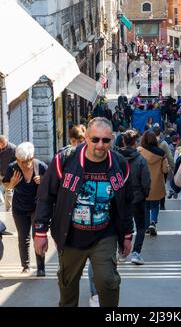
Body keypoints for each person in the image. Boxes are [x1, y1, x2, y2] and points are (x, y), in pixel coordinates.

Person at [33, 117, 133, 307]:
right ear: (86, 137)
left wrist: (127, 234)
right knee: (67, 287)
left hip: (105, 234)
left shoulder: (120, 164)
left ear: (112, 139)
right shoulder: (65, 160)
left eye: (105, 140)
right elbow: (46, 196)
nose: (100, 145)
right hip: (70, 236)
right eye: (95, 139)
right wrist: (40, 232)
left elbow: (126, 203)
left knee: (107, 281)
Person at [3, 142, 47, 276]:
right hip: (20, 208)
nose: (24, 165)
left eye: (27, 161)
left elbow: (53, 182)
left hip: (37, 208)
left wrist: (43, 180)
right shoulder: (13, 168)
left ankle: (40, 267)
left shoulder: (40, 166)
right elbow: (6, 185)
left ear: (32, 158)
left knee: (37, 236)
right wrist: (12, 184)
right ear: (17, 159)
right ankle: (25, 266)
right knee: (23, 238)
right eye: (21, 162)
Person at [118, 130, 151, 265]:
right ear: (135, 142)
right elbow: (146, 180)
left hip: (120, 198)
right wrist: (145, 193)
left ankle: (121, 252)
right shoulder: (141, 159)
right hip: (137, 198)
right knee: (141, 226)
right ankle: (136, 253)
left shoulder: (116, 158)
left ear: (123, 142)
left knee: (120, 225)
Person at [138, 131, 168, 236]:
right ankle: (153, 222)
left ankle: (146, 226)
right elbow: (165, 170)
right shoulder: (161, 153)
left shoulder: (139, 152)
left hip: (143, 183)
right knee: (155, 205)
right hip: (157, 183)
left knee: (145, 206)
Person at [152, 124, 174, 207]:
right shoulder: (164, 143)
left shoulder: (149, 143)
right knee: (162, 186)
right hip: (162, 168)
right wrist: (173, 167)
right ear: (160, 133)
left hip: (152, 167)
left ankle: (153, 204)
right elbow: (169, 156)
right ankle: (162, 205)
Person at [0, 135, 16, 211]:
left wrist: (13, 172)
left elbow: (17, 161)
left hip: (7, 173)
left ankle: (8, 209)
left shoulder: (13, 148)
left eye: (3, 145)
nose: (2, 147)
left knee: (8, 190)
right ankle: (1, 201)